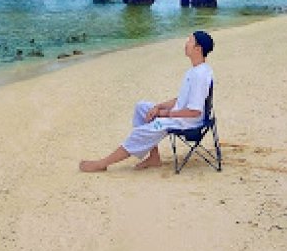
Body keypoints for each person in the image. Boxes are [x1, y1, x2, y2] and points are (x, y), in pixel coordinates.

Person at [79, 29, 214, 172]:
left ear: (198, 49)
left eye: (190, 41)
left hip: (187, 122)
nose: (186, 44)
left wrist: (164, 114)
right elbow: (182, 100)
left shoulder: (199, 75)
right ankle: (154, 157)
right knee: (142, 107)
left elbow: (194, 111)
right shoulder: (195, 70)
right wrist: (158, 107)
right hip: (180, 116)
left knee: (141, 132)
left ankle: (102, 164)